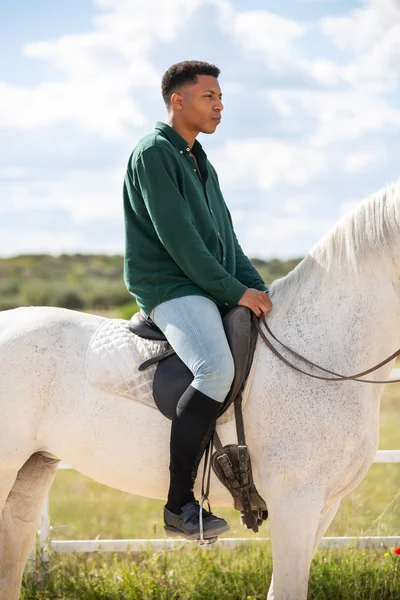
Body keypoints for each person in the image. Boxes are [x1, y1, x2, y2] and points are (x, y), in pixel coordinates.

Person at [123, 60, 272, 541]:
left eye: (221, 97)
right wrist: (233, 291)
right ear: (178, 100)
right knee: (215, 369)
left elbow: (227, 240)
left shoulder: (199, 158)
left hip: (203, 281)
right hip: (170, 285)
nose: (220, 105)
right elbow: (180, 241)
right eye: (210, 96)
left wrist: (259, 288)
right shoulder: (153, 154)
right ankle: (179, 505)